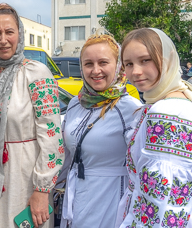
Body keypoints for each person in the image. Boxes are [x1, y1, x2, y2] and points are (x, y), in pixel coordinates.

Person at [0, 3, 64, 228]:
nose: (3, 39)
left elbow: (52, 137)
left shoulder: (36, 72)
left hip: (24, 177)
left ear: (19, 34)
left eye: (9, 32)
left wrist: (41, 190)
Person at [116, 28, 192, 228]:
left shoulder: (169, 111)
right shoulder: (169, 101)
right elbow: (178, 184)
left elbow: (161, 203)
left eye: (145, 60)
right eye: (129, 64)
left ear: (168, 59)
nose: (135, 71)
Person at [59, 31, 142, 228]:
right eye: (89, 64)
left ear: (118, 66)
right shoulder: (75, 104)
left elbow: (147, 164)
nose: (96, 70)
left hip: (111, 199)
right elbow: (66, 156)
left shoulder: (130, 108)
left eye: (103, 63)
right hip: (77, 195)